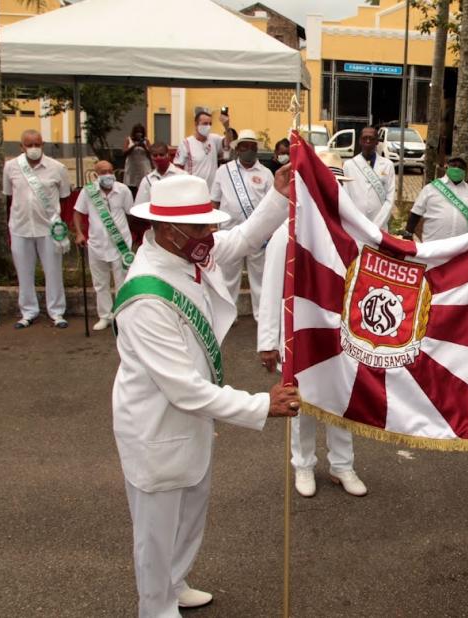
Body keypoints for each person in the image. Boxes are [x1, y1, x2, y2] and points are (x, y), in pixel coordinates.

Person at [113, 172, 299, 616]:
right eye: (198, 228)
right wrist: (260, 405)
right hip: (157, 425)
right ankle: (155, 608)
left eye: (208, 225)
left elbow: (238, 241)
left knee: (190, 514)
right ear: (164, 228)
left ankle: (175, 585)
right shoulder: (146, 296)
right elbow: (183, 389)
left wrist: (279, 195)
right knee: (156, 534)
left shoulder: (187, 255)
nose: (209, 235)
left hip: (193, 420)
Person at [258, 151, 368, 497]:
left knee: (341, 401)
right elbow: (271, 285)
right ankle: (303, 465)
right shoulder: (289, 230)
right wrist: (268, 341)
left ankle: (342, 465)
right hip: (300, 334)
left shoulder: (351, 231)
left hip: (341, 334)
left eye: (338, 185)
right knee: (302, 403)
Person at [3, 129, 72, 329]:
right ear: (21, 146)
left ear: (43, 144)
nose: (34, 148)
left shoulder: (57, 168)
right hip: (20, 227)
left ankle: (57, 312)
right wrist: (11, 226)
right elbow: (9, 197)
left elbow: (65, 198)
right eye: (29, 144)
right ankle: (28, 312)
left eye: (37, 144)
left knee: (53, 272)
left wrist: (61, 225)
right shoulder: (11, 167)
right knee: (24, 273)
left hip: (49, 229)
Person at [211, 129, 273, 321]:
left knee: (260, 278)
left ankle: (261, 317)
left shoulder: (266, 173)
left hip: (258, 235)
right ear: (237, 149)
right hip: (230, 233)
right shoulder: (223, 171)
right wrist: (212, 227)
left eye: (252, 146)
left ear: (256, 149)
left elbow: (272, 204)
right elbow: (214, 201)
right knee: (228, 277)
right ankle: (229, 315)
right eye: (244, 146)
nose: (248, 149)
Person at [72, 160, 134, 331]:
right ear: (96, 174)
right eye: (103, 172)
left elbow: (130, 213)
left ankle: (122, 315)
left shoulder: (123, 190)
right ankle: (105, 316)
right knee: (100, 283)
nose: (108, 175)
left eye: (110, 171)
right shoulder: (88, 191)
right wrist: (79, 233)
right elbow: (77, 213)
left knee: (122, 282)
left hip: (121, 245)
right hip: (97, 244)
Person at [403, 156, 468, 241]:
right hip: (433, 245)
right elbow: (415, 213)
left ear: (465, 170)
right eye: (453, 165)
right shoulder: (431, 188)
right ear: (447, 167)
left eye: (461, 167)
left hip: (461, 247)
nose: (457, 168)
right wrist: (408, 234)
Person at [343, 127, 395, 229]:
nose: (368, 141)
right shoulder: (348, 165)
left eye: (371, 138)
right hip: (356, 226)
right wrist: (356, 222)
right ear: (359, 141)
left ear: (377, 142)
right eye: (364, 138)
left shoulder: (388, 165)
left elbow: (390, 199)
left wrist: (376, 226)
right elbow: (346, 197)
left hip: (379, 227)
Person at [174, 110, 231, 189]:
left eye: (210, 124)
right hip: (193, 190)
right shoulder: (186, 143)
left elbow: (228, 144)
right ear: (196, 124)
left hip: (211, 191)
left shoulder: (214, 139)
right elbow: (177, 166)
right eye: (205, 124)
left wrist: (227, 126)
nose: (208, 127)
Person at [123, 124, 152, 196]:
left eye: (140, 132)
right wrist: (133, 146)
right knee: (131, 184)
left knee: (145, 183)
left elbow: (151, 154)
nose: (139, 134)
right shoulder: (128, 139)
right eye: (137, 132)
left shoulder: (146, 140)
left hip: (144, 166)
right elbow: (124, 153)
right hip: (132, 166)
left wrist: (144, 147)